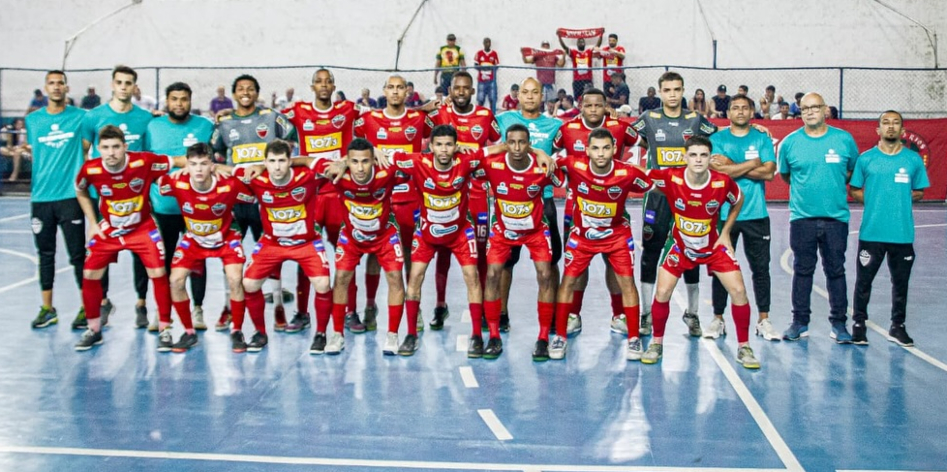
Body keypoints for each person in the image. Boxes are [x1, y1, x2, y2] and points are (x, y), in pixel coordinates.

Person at [641, 136, 760, 369]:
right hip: (680, 246)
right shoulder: (671, 177)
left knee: (738, 291)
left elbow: (738, 199)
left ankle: (744, 347)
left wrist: (726, 232)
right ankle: (656, 343)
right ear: (685, 157)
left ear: (710, 158)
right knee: (662, 291)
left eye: (703, 155)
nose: (698, 159)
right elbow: (638, 173)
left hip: (712, 248)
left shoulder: (722, 182)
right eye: (693, 155)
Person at [383, 125, 497, 357]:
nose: (444, 150)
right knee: (414, 277)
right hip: (426, 233)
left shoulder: (466, 161)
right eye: (439, 144)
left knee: (472, 277)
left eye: (448, 144)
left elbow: (502, 148)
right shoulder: (417, 162)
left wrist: (540, 153)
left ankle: (476, 335)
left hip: (460, 233)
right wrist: (369, 154)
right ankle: (411, 334)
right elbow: (382, 156)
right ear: (430, 146)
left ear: (456, 146)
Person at [73, 125, 187, 351]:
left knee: (158, 272)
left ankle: (165, 329)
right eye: (105, 148)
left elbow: (179, 160)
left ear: (125, 147)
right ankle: (94, 329)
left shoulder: (143, 162)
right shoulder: (91, 169)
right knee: (89, 273)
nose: (111, 152)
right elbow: (80, 190)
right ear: (98, 149)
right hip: (109, 230)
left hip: (142, 228)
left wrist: (206, 165)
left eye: (116, 147)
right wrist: (93, 223)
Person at [548, 128, 652, 360]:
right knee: (568, 280)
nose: (601, 153)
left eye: (606, 148)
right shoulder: (575, 165)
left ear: (615, 149)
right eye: (595, 148)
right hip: (582, 237)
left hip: (616, 236)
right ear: (587, 150)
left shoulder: (627, 173)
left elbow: (650, 182)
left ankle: (634, 338)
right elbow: (549, 160)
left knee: (627, 282)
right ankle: (561, 336)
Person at [631, 71, 718, 339]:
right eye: (667, 90)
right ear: (659, 92)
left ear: (683, 91)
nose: (672, 94)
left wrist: (753, 128)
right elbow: (628, 137)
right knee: (651, 251)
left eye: (677, 89)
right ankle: (646, 314)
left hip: (688, 197)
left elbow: (719, 140)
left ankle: (691, 314)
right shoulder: (648, 119)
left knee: (691, 251)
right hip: (657, 196)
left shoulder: (695, 120)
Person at [211, 74, 296, 331]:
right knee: (230, 257)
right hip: (236, 201)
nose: (245, 92)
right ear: (234, 94)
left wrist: (276, 163)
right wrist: (221, 169)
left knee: (272, 255)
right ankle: (228, 307)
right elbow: (213, 154)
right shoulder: (224, 122)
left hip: (267, 200)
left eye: (250, 89)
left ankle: (279, 308)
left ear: (257, 93)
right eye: (240, 89)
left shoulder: (270, 116)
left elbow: (292, 135)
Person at [232, 140, 333, 352]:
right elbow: (230, 170)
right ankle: (260, 332)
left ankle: (321, 334)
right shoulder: (256, 178)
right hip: (272, 243)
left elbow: (328, 164)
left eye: (281, 161)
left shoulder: (307, 177)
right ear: (265, 162)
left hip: (306, 242)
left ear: (290, 162)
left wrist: (300, 161)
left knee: (323, 284)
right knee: (249, 284)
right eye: (272, 161)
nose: (277, 167)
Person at [310, 138, 409, 355]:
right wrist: (260, 166)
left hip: (384, 235)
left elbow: (421, 161)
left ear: (373, 160)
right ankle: (337, 335)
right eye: (354, 162)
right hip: (352, 237)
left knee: (395, 278)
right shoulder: (336, 172)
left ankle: (392, 335)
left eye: (365, 161)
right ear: (347, 161)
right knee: (341, 278)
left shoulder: (387, 171)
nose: (360, 168)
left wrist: (386, 152)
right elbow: (301, 161)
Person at [553, 88, 638, 336]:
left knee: (615, 264)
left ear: (605, 106)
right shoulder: (567, 129)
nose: (593, 110)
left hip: (614, 205)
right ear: (581, 106)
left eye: (598, 106)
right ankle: (573, 314)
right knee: (577, 264)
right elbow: (552, 152)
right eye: (588, 106)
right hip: (577, 208)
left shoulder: (620, 127)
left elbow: (646, 141)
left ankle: (619, 314)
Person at [281, 68, 360, 333]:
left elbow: (387, 115)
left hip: (339, 194)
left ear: (334, 86)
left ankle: (351, 312)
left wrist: (424, 107)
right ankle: (302, 313)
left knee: (346, 255)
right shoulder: (297, 111)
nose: (324, 85)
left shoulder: (348, 109)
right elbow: (264, 121)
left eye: (328, 82)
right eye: (319, 82)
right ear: (312, 86)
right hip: (310, 197)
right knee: (306, 255)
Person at [777, 92, 859, 342]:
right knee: (803, 270)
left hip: (836, 219)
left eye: (815, 107)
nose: (810, 112)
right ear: (800, 112)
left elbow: (852, 170)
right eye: (805, 108)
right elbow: (786, 175)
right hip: (802, 219)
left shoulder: (844, 140)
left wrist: (833, 182)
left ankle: (839, 325)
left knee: (836, 270)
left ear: (825, 110)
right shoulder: (790, 143)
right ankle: (800, 322)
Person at [354, 74, 432, 332]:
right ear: (384, 91)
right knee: (376, 254)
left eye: (400, 88)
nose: (396, 92)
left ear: (407, 92)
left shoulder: (418, 119)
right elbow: (354, 147)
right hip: (379, 198)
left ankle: (414, 305)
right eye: (391, 87)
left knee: (411, 255)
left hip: (409, 197)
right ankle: (369, 306)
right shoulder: (368, 120)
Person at [158, 143, 254, 352]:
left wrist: (227, 171)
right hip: (194, 240)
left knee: (236, 279)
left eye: (203, 164)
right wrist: (172, 173)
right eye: (193, 164)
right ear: (187, 166)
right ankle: (189, 332)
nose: (198, 169)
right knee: (175, 280)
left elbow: (251, 192)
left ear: (212, 165)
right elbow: (159, 184)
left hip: (225, 238)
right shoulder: (177, 182)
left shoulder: (229, 185)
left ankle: (237, 330)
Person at [81, 65, 155, 326]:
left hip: (136, 198)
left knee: (140, 252)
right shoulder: (93, 117)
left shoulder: (145, 118)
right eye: (119, 82)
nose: (123, 87)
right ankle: (103, 302)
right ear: (112, 85)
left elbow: (149, 159)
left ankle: (141, 303)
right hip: (105, 197)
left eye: (128, 83)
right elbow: (85, 153)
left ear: (134, 87)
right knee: (102, 251)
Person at [427, 71, 501, 331]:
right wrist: (427, 107)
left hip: (478, 193)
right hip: (447, 192)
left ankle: (480, 307)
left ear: (472, 91)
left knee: (480, 251)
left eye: (465, 88)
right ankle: (439, 304)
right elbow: (418, 130)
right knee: (444, 248)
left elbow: (496, 145)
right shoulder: (440, 114)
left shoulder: (484, 116)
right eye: (456, 88)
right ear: (450, 91)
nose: (460, 92)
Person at [849, 110, 929, 346]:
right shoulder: (866, 159)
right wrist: (873, 199)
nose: (891, 127)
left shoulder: (913, 160)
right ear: (878, 130)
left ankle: (897, 326)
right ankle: (859, 324)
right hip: (872, 233)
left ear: (903, 131)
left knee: (900, 284)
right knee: (864, 282)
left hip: (902, 234)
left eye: (896, 123)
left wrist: (900, 197)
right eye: (886, 123)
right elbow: (854, 190)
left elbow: (920, 192)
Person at [479, 125, 557, 359]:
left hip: (535, 231)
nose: (516, 148)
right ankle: (494, 336)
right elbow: (468, 157)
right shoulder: (492, 165)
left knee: (545, 274)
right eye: (511, 142)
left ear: (529, 143)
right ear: (505, 143)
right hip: (502, 231)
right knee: (492, 275)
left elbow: (566, 172)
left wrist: (542, 154)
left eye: (522, 143)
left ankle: (543, 338)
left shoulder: (542, 168)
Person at [707, 95, 781, 341]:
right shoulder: (716, 139)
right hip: (724, 215)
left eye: (745, 108)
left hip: (756, 214)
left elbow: (769, 174)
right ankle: (718, 319)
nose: (740, 111)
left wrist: (733, 165)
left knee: (761, 269)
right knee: (721, 268)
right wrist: (751, 164)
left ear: (752, 112)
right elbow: (718, 170)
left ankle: (764, 320)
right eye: (735, 108)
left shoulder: (762, 138)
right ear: (728, 113)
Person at [495, 77, 564, 335]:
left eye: (536, 92)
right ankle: (501, 314)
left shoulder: (555, 126)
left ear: (542, 97)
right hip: (509, 200)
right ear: (518, 95)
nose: (531, 96)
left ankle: (554, 313)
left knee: (550, 261)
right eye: (526, 92)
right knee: (505, 262)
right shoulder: (503, 120)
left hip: (543, 200)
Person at [144, 82, 214, 330]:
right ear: (167, 101)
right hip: (163, 209)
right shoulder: (152, 126)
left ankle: (197, 310)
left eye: (184, 99)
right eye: (174, 99)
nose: (179, 104)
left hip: (196, 208)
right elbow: (144, 164)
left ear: (190, 100)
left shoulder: (205, 126)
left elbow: (214, 162)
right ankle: (163, 312)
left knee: (197, 260)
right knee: (162, 263)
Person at [25, 71, 88, 331]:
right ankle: (48, 309)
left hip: (70, 197)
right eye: (51, 83)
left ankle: (88, 306)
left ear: (66, 87)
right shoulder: (33, 121)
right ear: (45, 88)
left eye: (60, 83)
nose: (56, 87)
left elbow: (89, 143)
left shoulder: (80, 117)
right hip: (41, 198)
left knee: (78, 256)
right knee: (45, 255)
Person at [559, 35, 601, 101]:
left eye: (582, 42)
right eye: (579, 42)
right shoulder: (574, 53)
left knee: (589, 98)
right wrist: (559, 37)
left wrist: (600, 35)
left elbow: (597, 46)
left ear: (585, 44)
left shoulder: (589, 52)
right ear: (577, 44)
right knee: (577, 100)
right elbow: (565, 47)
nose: (581, 43)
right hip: (577, 80)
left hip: (587, 80)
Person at [474, 37, 499, 113]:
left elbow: (497, 65)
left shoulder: (494, 53)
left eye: (489, 42)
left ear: (490, 43)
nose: (487, 44)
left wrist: (490, 69)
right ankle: (479, 114)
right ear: (483, 43)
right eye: (486, 42)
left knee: (492, 98)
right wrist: (483, 69)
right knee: (480, 99)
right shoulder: (479, 53)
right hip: (481, 80)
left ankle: (493, 115)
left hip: (491, 80)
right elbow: (475, 65)